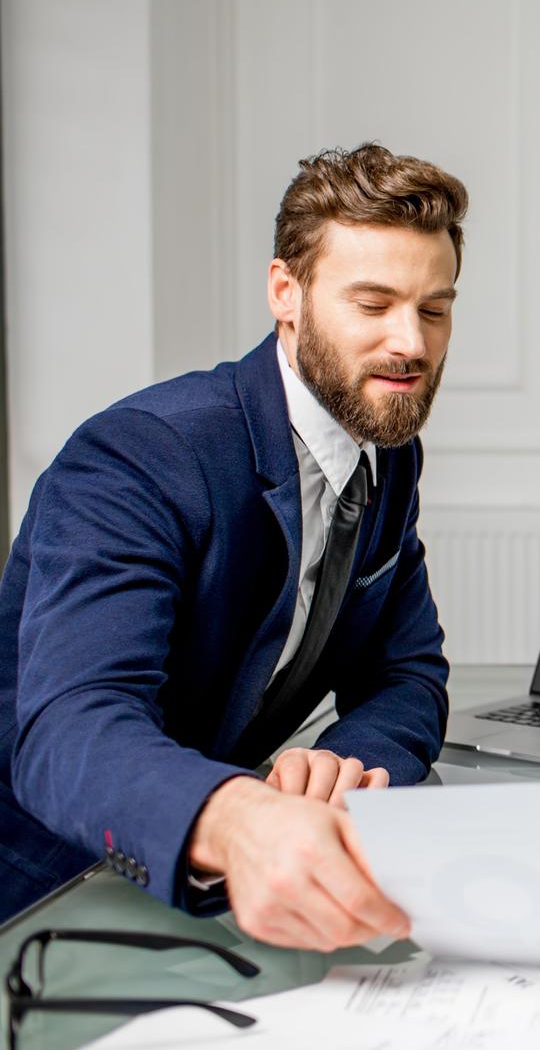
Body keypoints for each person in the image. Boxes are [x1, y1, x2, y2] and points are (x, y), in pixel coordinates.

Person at [0, 144, 464, 951]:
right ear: (287, 293)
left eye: (433, 308)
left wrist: (344, 770)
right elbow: (71, 723)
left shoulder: (385, 450)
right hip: (44, 890)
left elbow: (405, 671)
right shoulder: (140, 455)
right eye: (374, 303)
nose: (412, 344)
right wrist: (242, 817)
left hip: (212, 904)